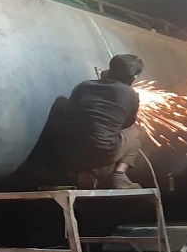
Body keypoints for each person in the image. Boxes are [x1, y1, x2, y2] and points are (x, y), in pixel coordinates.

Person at [60, 54, 145, 189]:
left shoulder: (83, 86)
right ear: (133, 78)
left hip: (68, 151)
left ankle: (86, 173)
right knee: (134, 134)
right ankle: (119, 175)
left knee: (90, 133)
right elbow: (127, 123)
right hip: (102, 153)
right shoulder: (130, 94)